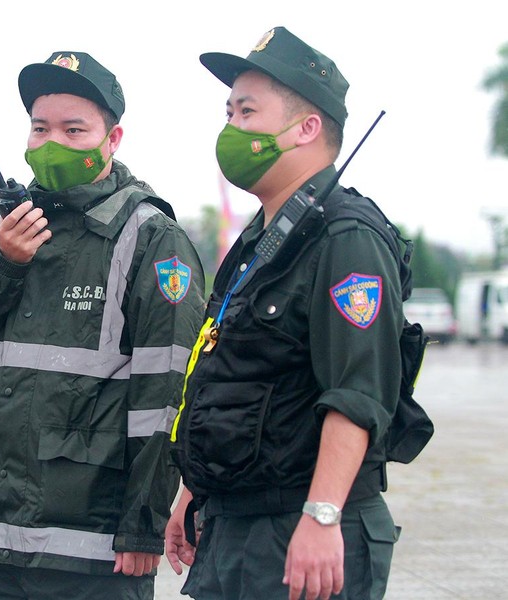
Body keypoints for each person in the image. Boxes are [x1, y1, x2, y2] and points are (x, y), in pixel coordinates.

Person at [0, 50, 206, 599]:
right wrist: (4, 264)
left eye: (73, 129)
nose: (51, 142)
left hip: (94, 551)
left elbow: (167, 395)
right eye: (40, 128)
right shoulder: (9, 226)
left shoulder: (152, 238)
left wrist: (142, 525)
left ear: (113, 139)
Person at [166, 27, 412, 600]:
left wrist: (322, 515)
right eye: (229, 112)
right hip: (236, 524)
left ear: (306, 128)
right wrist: (194, 492)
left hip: (302, 527)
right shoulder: (260, 242)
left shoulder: (346, 238)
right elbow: (229, 374)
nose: (232, 127)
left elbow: (358, 392)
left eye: (247, 111)